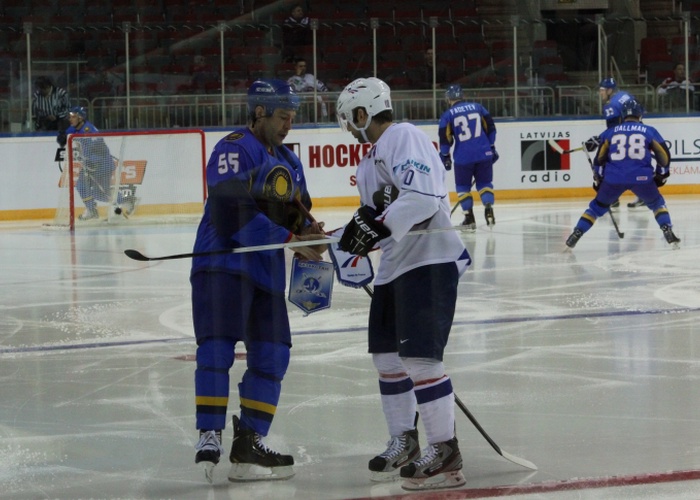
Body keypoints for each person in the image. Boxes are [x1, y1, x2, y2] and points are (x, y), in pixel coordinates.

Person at [334, 77, 472, 491]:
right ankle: (405, 441)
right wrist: (341, 239)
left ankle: (445, 452)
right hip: (395, 267)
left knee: (422, 361)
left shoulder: (403, 136)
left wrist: (376, 228)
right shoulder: (369, 161)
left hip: (428, 261)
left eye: (350, 120)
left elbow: (424, 198)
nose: (349, 129)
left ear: (363, 114)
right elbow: (375, 217)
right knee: (387, 359)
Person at [190, 79, 327, 483]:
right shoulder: (235, 148)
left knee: (273, 355)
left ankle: (249, 443)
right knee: (217, 348)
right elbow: (229, 209)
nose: (288, 125)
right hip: (223, 264)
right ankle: (209, 434)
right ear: (259, 112)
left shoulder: (289, 161)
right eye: (283, 116)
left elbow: (297, 215)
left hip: (265, 272)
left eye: (292, 117)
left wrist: (310, 236)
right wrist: (289, 239)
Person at [565, 98, 680, 250]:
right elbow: (664, 155)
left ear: (623, 115)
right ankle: (667, 230)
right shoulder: (649, 131)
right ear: (640, 115)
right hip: (642, 178)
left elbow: (599, 159)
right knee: (657, 204)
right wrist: (661, 175)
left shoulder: (611, 132)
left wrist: (598, 179)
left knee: (595, 208)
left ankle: (576, 234)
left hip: (614, 179)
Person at [438, 84, 498, 230]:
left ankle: (469, 218)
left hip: (463, 157)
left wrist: (445, 156)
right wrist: (491, 147)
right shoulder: (478, 107)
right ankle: (488, 208)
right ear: (462, 96)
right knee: (485, 183)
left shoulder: (447, 115)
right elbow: (491, 128)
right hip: (484, 153)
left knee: (463, 187)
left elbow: (445, 139)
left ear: (448, 98)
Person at [58, 106, 134, 220]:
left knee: (100, 193)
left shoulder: (89, 130)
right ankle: (92, 211)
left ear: (80, 118)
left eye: (73, 117)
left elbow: (100, 149)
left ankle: (126, 200)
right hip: (89, 165)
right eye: (70, 117)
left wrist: (93, 162)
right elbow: (63, 138)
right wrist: (62, 136)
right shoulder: (74, 128)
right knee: (81, 186)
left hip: (102, 165)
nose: (70, 119)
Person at [585, 77, 634, 209]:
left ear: (610, 90)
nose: (600, 93)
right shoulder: (625, 95)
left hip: (623, 138)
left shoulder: (610, 105)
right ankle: (643, 195)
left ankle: (613, 198)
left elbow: (613, 130)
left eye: (602, 90)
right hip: (637, 133)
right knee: (635, 165)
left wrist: (599, 139)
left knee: (606, 164)